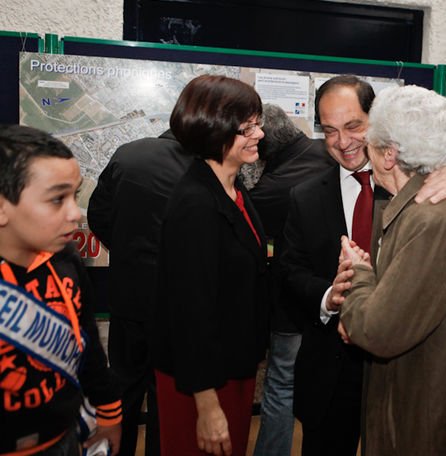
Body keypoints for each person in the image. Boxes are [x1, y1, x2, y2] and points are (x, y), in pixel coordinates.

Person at [280, 74, 446, 456]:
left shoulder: (434, 192)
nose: (344, 141)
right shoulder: (305, 195)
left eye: (354, 127)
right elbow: (290, 271)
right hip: (337, 372)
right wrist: (330, 298)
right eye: (330, 130)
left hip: (412, 377)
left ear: (378, 131)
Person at [152, 75, 269, 456]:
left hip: (232, 365)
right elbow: (190, 312)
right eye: (247, 127)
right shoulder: (196, 204)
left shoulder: (233, 189)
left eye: (258, 123)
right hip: (201, 381)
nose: (260, 134)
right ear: (213, 130)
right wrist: (207, 406)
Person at [0, 125, 122, 455]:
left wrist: (109, 414)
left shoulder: (66, 259)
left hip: (65, 438)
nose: (74, 213)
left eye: (75, 196)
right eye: (57, 199)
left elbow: (89, 344)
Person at [88, 129, 192, 456]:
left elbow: (98, 215)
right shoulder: (203, 168)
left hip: (127, 295)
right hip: (175, 300)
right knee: (165, 393)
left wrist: (126, 249)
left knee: (123, 386)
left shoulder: (127, 153)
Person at [250, 104, 334, 456]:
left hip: (294, 301)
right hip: (337, 293)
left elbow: (250, 230)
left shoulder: (272, 188)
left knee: (282, 383)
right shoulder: (327, 152)